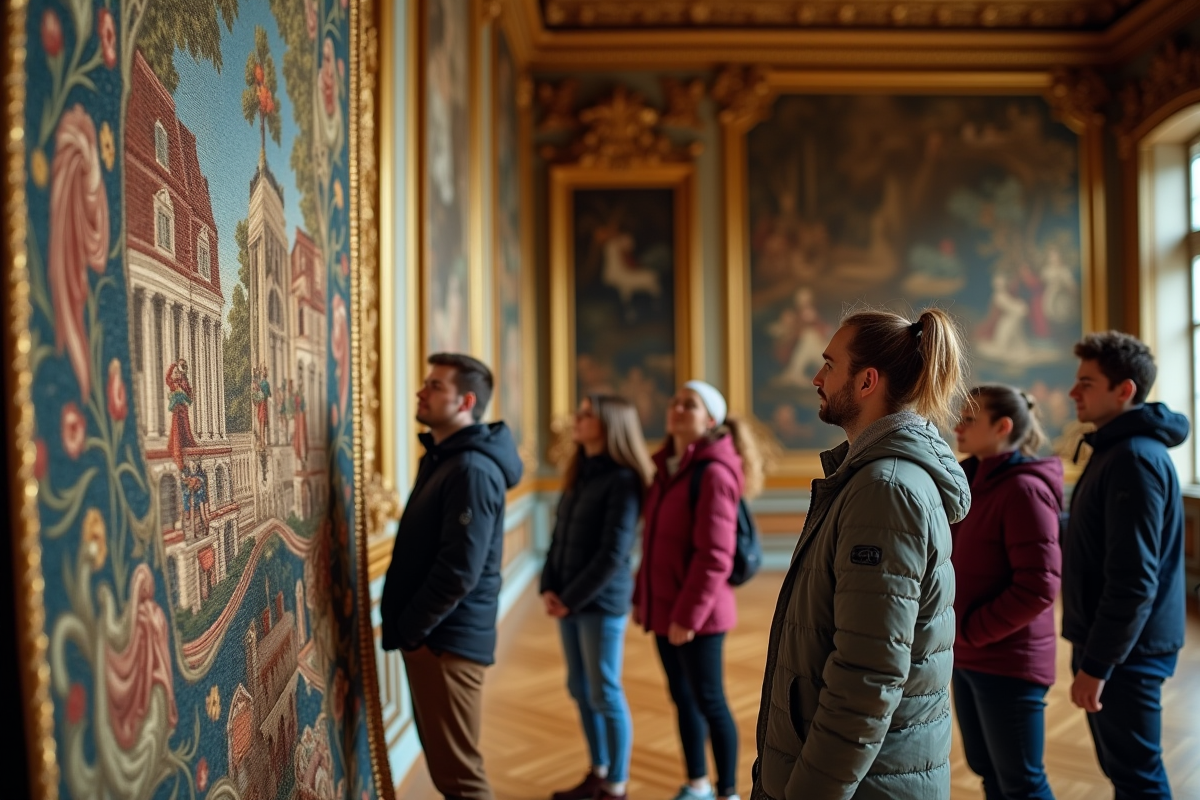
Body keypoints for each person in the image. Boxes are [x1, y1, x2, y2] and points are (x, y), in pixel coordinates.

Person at [752, 307, 971, 800]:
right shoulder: (872, 479)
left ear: (868, 380)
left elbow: (867, 679)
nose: (816, 376)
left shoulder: (885, 489)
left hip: (864, 784)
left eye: (829, 364)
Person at [380, 353, 524, 800]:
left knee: (461, 779)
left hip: (447, 642)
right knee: (450, 773)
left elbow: (459, 571)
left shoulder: (471, 469)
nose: (421, 391)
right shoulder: (448, 456)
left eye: (434, 386)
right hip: (437, 637)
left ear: (465, 401)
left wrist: (414, 631)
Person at [1062, 331, 1188, 800]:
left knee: (1137, 777)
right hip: (1116, 645)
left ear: (1125, 390)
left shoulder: (1133, 458)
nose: (1074, 391)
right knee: (1124, 771)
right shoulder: (1117, 449)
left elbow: (1134, 581)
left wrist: (1097, 665)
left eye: (1086, 382)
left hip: (1127, 653)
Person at [634, 380, 764, 800]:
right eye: (674, 402)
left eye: (689, 405)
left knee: (710, 700)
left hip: (699, 616)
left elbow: (714, 556)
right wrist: (644, 599)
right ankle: (697, 784)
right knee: (682, 700)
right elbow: (652, 541)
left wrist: (686, 617)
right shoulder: (665, 469)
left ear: (710, 420)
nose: (677, 409)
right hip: (665, 610)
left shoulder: (713, 472)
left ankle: (727, 793)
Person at [951, 385, 1063, 800]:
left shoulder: (1023, 490)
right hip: (968, 653)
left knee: (1022, 781)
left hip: (1008, 659)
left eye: (968, 420)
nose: (957, 426)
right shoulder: (971, 480)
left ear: (1002, 426)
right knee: (988, 772)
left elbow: (1039, 585)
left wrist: (972, 631)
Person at [542, 395, 655, 800]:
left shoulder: (623, 479)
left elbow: (613, 553)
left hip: (601, 601)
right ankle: (599, 769)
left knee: (604, 689)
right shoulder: (580, 471)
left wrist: (568, 598)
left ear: (610, 426)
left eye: (587, 414)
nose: (577, 418)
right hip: (570, 598)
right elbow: (559, 537)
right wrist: (548, 586)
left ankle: (617, 785)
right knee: (579, 686)